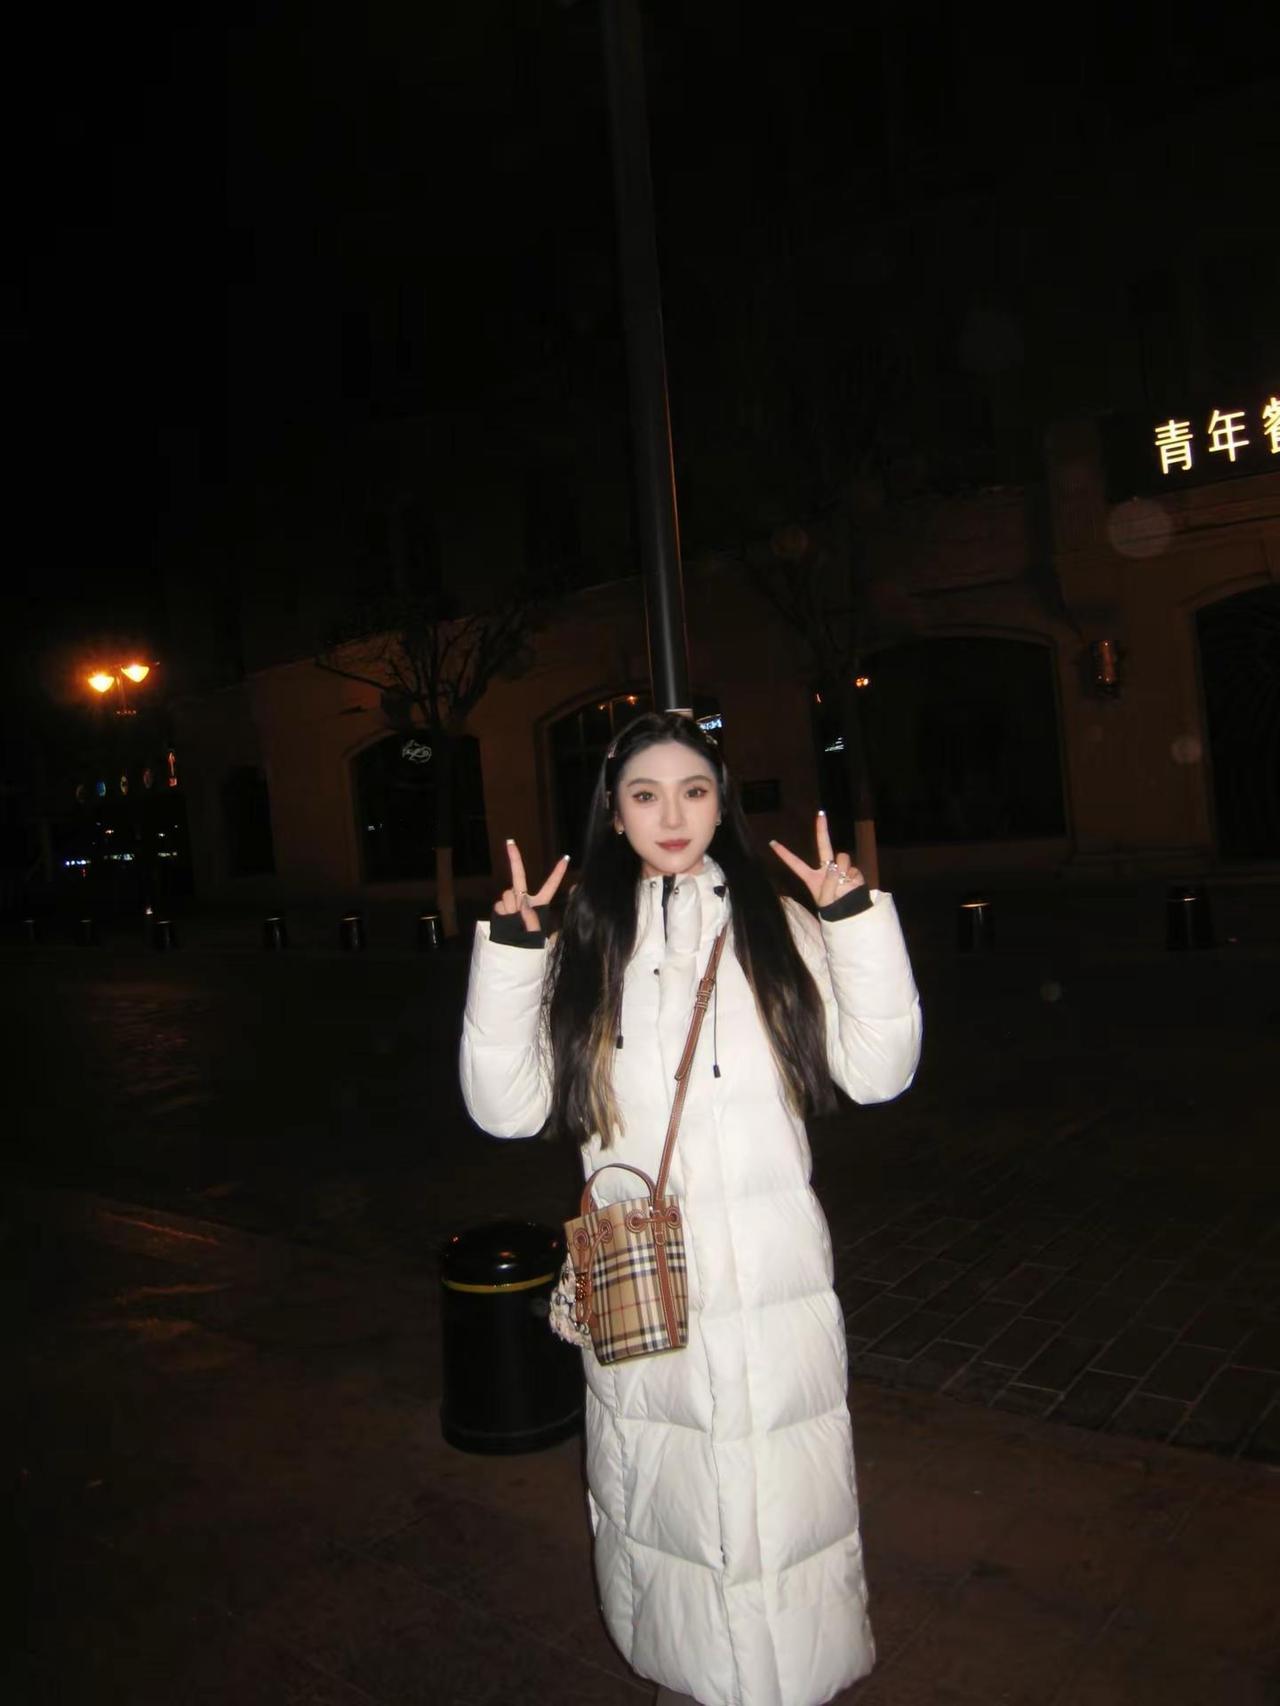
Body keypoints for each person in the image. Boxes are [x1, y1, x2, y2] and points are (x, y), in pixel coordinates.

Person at [459, 711, 922, 1706]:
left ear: (721, 805)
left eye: (694, 791)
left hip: (772, 1280)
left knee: (780, 1513)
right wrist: (513, 954)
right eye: (645, 794)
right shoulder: (584, 939)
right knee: (664, 1509)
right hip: (640, 1280)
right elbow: (507, 1109)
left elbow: (878, 1071)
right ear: (615, 813)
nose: (671, 815)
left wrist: (850, 919)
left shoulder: (780, 926)